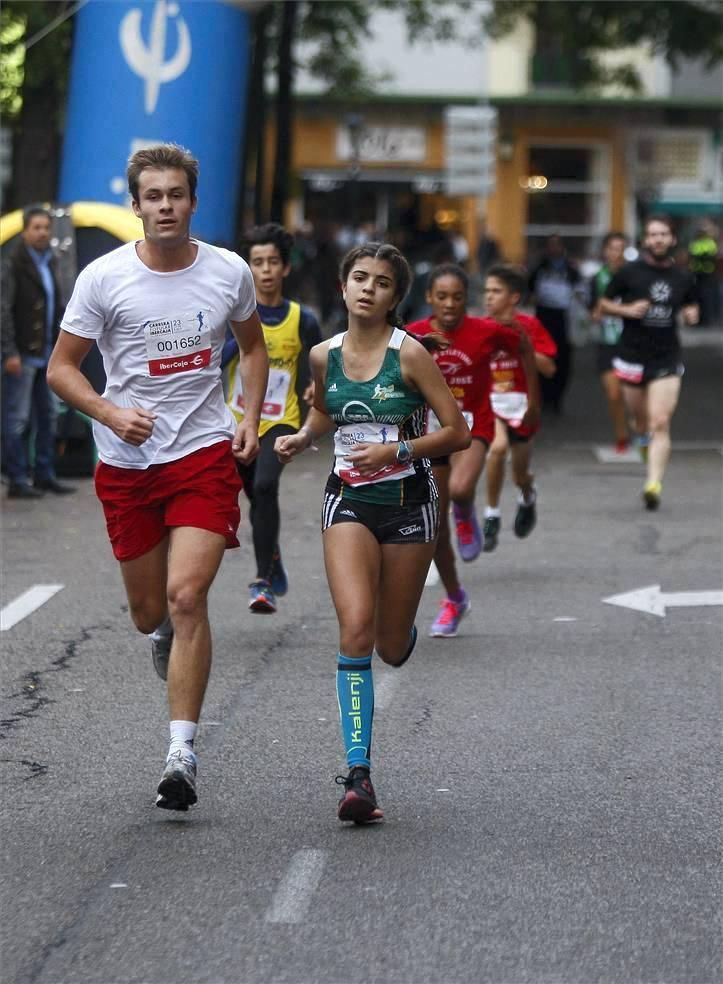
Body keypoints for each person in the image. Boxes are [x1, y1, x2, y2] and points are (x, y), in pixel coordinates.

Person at [47, 143, 268, 811]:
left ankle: (181, 751)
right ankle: (166, 642)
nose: (166, 205)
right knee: (151, 612)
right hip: (128, 464)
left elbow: (252, 349)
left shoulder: (228, 271)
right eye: (154, 196)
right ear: (136, 204)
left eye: (176, 194)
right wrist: (110, 412)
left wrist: (249, 417)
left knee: (186, 595)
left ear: (193, 201)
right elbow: (61, 369)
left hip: (201, 452)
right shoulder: (104, 279)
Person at [274, 243, 470, 823]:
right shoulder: (321, 356)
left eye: (382, 283)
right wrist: (300, 438)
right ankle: (359, 774)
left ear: (394, 297)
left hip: (410, 503)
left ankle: (400, 625)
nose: (368, 289)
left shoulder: (410, 356)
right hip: (349, 501)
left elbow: (457, 432)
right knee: (355, 629)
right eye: (359, 278)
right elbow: (324, 413)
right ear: (342, 285)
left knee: (389, 644)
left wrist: (398, 447)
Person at [407, 264, 540, 638]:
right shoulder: (414, 335)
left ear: (468, 299)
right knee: (433, 526)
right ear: (430, 298)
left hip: (472, 426)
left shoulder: (486, 331)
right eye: (442, 297)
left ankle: (464, 512)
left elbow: (524, 347)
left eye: (458, 297)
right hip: (430, 435)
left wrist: (534, 400)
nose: (450, 305)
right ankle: (455, 599)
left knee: (462, 490)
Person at [223, 223, 322, 613]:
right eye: (257, 262)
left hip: (281, 419)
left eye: (273, 262)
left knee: (264, 487)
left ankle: (262, 581)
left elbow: (318, 366)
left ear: (285, 269)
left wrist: (317, 388)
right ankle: (273, 553)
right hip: (235, 419)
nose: (265, 270)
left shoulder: (302, 319)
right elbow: (212, 360)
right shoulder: (232, 315)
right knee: (248, 494)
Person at [600, 215, 699, 510]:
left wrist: (691, 315)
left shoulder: (683, 276)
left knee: (660, 421)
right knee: (641, 422)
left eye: (663, 234)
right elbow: (603, 304)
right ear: (645, 240)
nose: (658, 239)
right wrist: (627, 309)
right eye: (653, 234)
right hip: (631, 356)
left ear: (672, 239)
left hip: (666, 357)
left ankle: (653, 484)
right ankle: (642, 440)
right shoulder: (629, 273)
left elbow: (691, 304)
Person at [1, 207, 75, 498]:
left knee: (47, 417)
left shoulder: (51, 261)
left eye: (46, 227)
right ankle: (17, 478)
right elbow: (3, 311)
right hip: (21, 355)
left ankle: (45, 474)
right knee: (17, 419)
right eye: (37, 227)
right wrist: (8, 352)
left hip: (47, 355)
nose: (43, 232)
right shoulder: (12, 264)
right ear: (25, 231)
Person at [482, 264, 556, 552]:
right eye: (487, 291)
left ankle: (527, 496)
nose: (489, 297)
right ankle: (491, 515)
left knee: (520, 474)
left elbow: (549, 368)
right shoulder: (481, 327)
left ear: (513, 297)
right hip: (492, 404)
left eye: (496, 291)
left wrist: (521, 343)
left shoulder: (530, 326)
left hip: (523, 405)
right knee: (497, 448)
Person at [589, 232, 635, 453]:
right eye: (612, 248)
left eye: (621, 248)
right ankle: (622, 435)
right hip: (607, 343)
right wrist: (597, 313)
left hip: (633, 343)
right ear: (605, 251)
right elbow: (593, 310)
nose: (617, 253)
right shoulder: (597, 278)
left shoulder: (635, 277)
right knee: (614, 394)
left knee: (632, 395)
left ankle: (638, 426)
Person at [528, 234, 581, 414]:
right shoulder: (539, 268)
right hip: (544, 319)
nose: (554, 249)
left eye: (557, 245)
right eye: (551, 245)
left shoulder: (571, 270)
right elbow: (529, 292)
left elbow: (579, 293)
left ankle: (556, 399)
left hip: (564, 321)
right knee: (542, 358)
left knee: (563, 362)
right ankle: (544, 397)